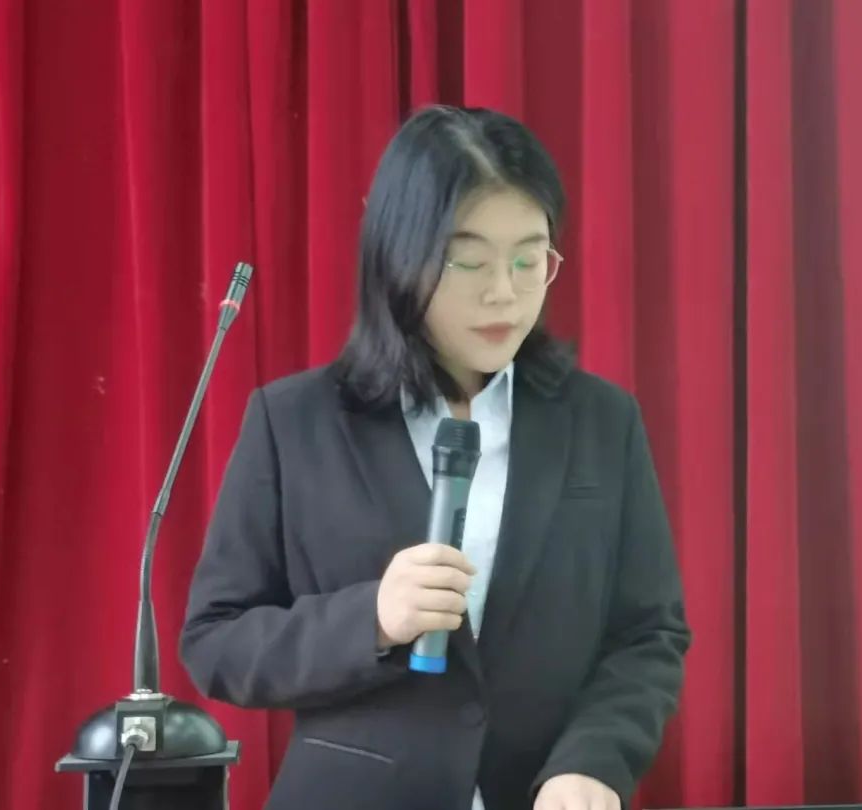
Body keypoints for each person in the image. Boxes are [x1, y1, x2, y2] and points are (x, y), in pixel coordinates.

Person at [180, 105, 691, 810]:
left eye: (529, 259)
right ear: (401, 256)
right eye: (469, 260)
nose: (504, 292)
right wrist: (372, 618)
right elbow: (217, 641)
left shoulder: (602, 422)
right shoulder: (294, 423)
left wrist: (594, 763)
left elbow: (648, 633)